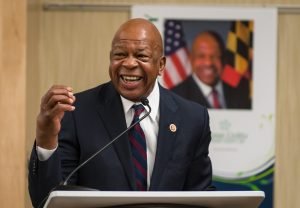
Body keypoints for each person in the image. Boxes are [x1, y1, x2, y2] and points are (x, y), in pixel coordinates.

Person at [28, 18, 213, 207]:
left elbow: (201, 197)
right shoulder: (76, 112)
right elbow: (48, 200)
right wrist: (46, 138)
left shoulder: (193, 118)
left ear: (161, 65)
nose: (129, 63)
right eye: (119, 55)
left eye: (141, 56)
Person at [171, 31, 251, 109]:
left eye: (215, 56)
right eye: (201, 56)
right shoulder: (174, 98)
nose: (208, 63)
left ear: (224, 59)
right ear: (191, 59)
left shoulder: (241, 94)